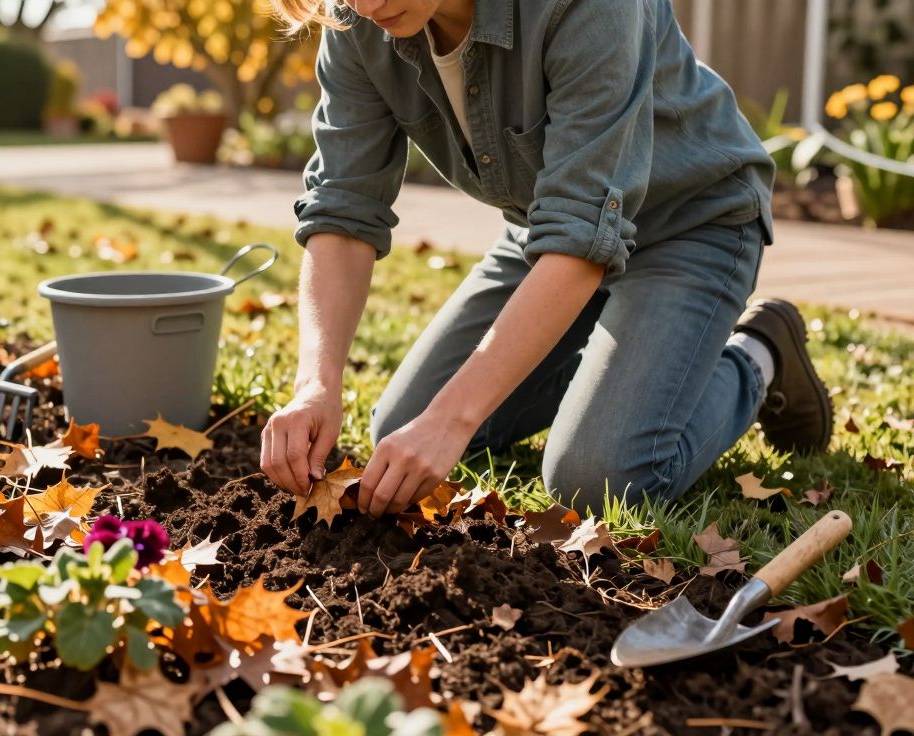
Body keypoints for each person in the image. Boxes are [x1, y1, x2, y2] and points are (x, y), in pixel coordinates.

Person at [258, 0, 833, 517]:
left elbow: (583, 233)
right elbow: (343, 209)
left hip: (688, 224)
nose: (366, 3)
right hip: (545, 235)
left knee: (598, 480)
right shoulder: (355, 18)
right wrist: (316, 383)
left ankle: (759, 354)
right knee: (401, 427)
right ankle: (617, 373)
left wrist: (452, 418)